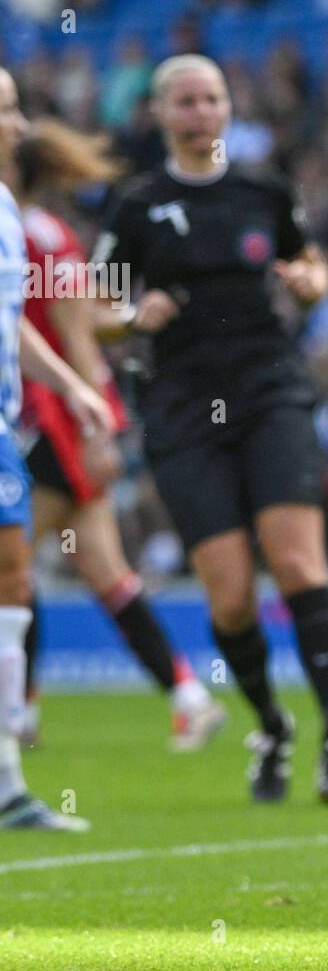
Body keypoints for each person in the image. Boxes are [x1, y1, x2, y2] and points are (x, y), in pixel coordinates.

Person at [93, 56, 328, 804]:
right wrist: (128, 316)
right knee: (232, 597)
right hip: (181, 410)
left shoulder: (262, 189)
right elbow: (94, 308)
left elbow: (306, 261)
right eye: (185, 101)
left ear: (227, 108)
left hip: (269, 391)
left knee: (301, 564)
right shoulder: (138, 205)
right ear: (160, 114)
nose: (200, 112)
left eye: (212, 98)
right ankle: (272, 724)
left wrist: (309, 279)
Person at [5, 119, 226, 751]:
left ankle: (19, 715)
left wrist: (91, 422)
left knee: (11, 569)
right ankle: (189, 696)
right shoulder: (39, 232)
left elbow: (76, 338)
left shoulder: (37, 237)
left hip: (49, 423)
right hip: (59, 422)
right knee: (104, 573)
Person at [0, 66, 115, 830]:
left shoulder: (9, 212)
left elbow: (12, 324)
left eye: (12, 109)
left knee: (15, 575)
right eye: (1, 112)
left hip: (4, 426)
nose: (15, 125)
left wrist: (74, 386)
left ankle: (7, 772)